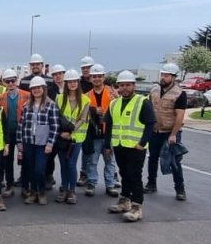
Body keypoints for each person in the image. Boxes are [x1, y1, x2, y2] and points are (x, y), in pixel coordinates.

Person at [105, 71, 157, 222]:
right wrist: (107, 144)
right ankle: (124, 201)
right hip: (120, 145)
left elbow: (150, 124)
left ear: (134, 85)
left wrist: (142, 143)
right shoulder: (114, 103)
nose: (124, 88)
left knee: (134, 176)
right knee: (124, 174)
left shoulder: (142, 102)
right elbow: (109, 125)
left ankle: (137, 206)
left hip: (135, 147)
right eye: (122, 85)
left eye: (128, 85)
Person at [146, 63, 187, 200]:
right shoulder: (154, 90)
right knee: (152, 158)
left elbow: (180, 115)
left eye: (167, 75)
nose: (163, 77)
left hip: (170, 132)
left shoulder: (180, 94)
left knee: (173, 160)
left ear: (173, 77)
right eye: (162, 75)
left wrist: (174, 134)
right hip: (155, 131)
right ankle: (151, 183)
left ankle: (180, 189)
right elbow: (149, 107)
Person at [17, 76, 60, 205]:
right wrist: (20, 144)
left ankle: (41, 192)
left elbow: (55, 126)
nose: (36, 90)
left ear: (44, 89)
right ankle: (33, 192)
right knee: (30, 168)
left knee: (40, 170)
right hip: (29, 141)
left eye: (38, 88)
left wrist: (50, 143)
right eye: (33, 88)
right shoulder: (26, 105)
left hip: (43, 144)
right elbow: (21, 125)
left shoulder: (51, 105)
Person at [81, 63, 120, 197]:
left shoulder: (112, 93)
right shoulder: (86, 96)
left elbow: (120, 109)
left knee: (110, 161)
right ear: (90, 78)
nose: (97, 79)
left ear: (103, 77)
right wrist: (93, 111)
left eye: (99, 76)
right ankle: (91, 183)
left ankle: (110, 185)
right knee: (92, 160)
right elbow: (82, 115)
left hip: (109, 133)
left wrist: (117, 99)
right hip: (94, 134)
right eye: (94, 77)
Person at [55, 70, 90, 204]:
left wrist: (70, 132)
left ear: (78, 83)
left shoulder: (86, 100)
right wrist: (61, 133)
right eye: (70, 82)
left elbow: (82, 119)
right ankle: (64, 188)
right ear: (66, 83)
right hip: (61, 136)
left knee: (71, 164)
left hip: (76, 138)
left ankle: (71, 190)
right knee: (63, 164)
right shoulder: (59, 98)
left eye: (75, 81)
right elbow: (56, 117)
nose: (73, 84)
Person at [0, 69, 29, 198]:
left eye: (12, 80)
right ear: (4, 82)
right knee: (7, 160)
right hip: (7, 134)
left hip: (23, 133)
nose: (10, 83)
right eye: (7, 81)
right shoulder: (0, 98)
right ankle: (9, 185)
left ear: (17, 81)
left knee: (26, 160)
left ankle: (25, 186)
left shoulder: (27, 95)